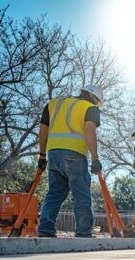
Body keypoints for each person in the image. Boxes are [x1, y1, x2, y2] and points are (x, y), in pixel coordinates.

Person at [36, 84, 104, 238]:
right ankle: (83, 232)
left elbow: (43, 129)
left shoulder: (54, 103)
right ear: (93, 97)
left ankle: (45, 230)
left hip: (53, 154)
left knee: (54, 193)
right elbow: (89, 130)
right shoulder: (90, 107)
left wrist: (42, 155)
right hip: (75, 154)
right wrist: (95, 158)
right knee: (81, 194)